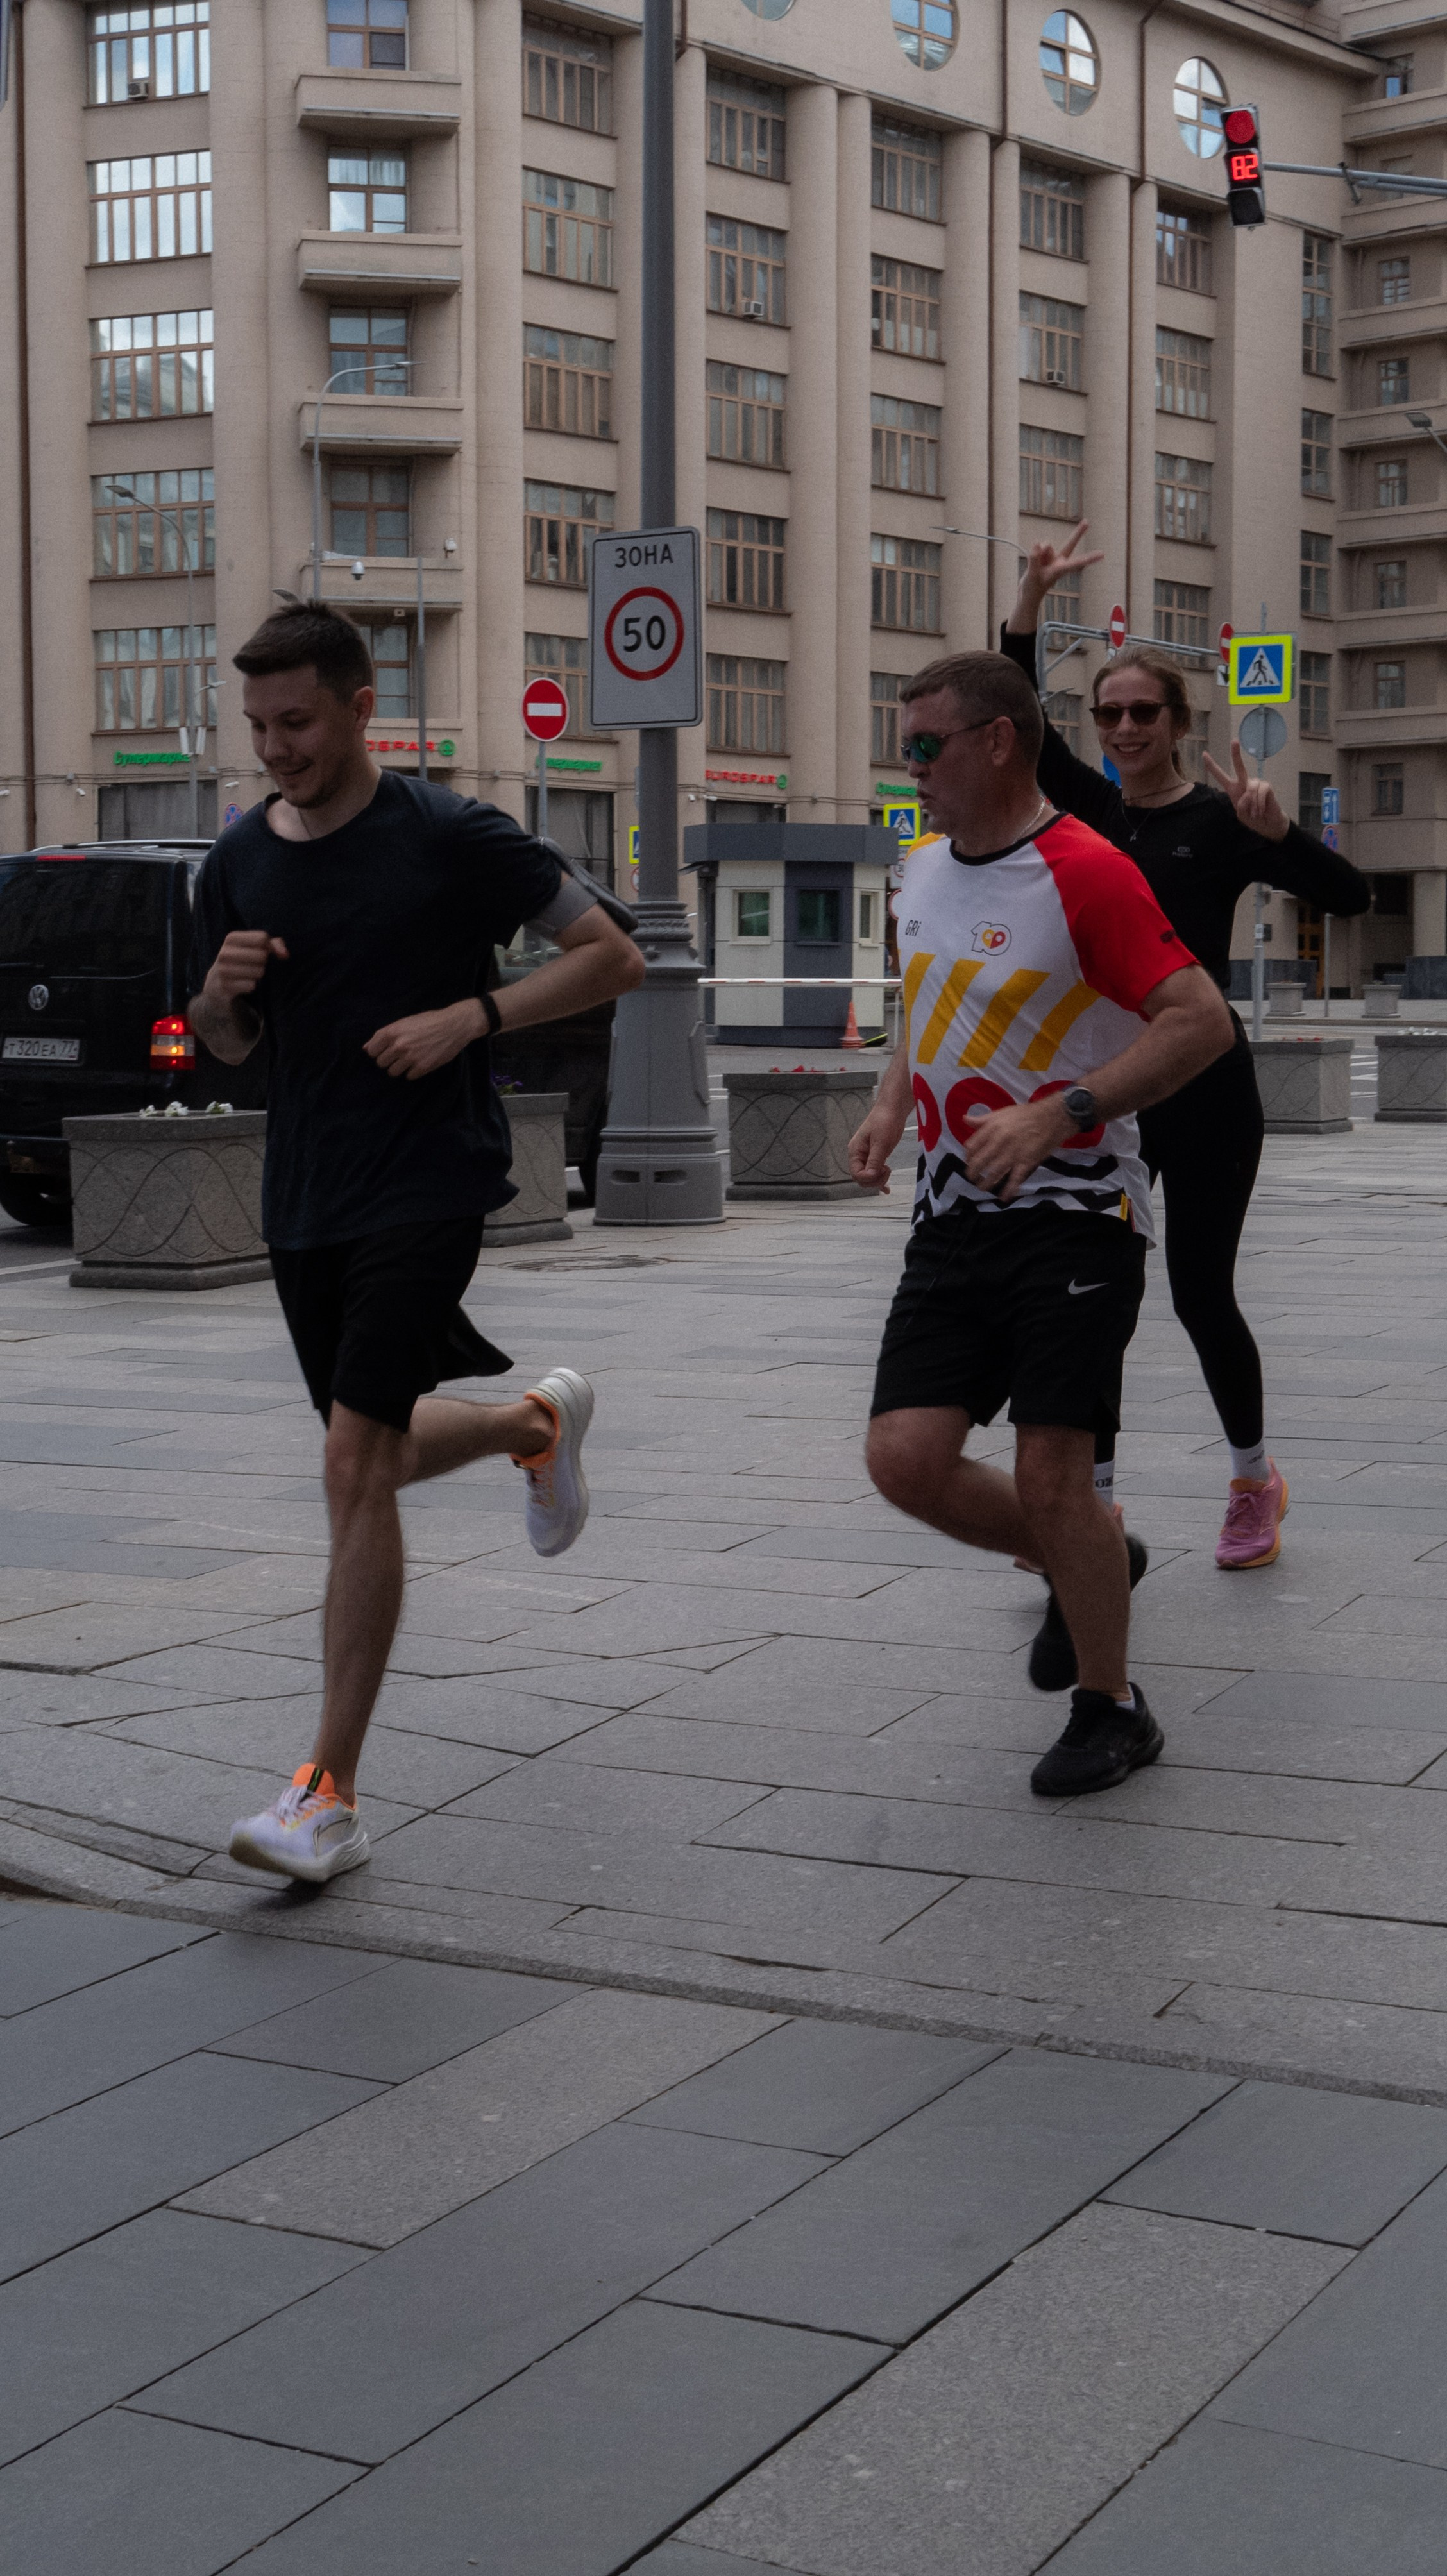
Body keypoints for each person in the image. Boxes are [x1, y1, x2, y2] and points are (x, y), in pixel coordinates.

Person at [187, 600, 643, 1883]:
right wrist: (216, 1001)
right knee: (371, 1451)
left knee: (349, 1464)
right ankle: (529, 1427)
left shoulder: (448, 833)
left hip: (430, 1178)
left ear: (357, 705)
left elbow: (613, 958)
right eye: (260, 726)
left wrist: (470, 1016)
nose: (277, 749)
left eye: (298, 723)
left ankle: (324, 1791)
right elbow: (227, 1047)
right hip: (306, 1191)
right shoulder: (238, 858)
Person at [851, 650, 1233, 1796]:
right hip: (951, 1215)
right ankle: (1100, 1562)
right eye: (905, 743)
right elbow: (922, 1005)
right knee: (905, 1460)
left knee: (1056, 1472)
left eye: (926, 745)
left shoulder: (1086, 871)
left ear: (1000, 741)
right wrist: (884, 1103)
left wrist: (1061, 1111)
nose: (909, 765)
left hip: (1078, 1210)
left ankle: (1111, 1708)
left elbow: (1200, 1022)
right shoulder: (918, 872)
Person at [1003, 525, 1369, 1572]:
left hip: (1205, 1087)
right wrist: (1030, 594)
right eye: (1109, 712)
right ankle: (1095, 1512)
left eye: (1142, 713)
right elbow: (1020, 704)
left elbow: (1353, 897)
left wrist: (1281, 832)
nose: (1122, 727)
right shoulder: (1085, 810)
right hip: (1104, 1090)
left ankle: (1254, 1480)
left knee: (1202, 1291)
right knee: (1093, 1297)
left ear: (1178, 723)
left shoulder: (1219, 820)